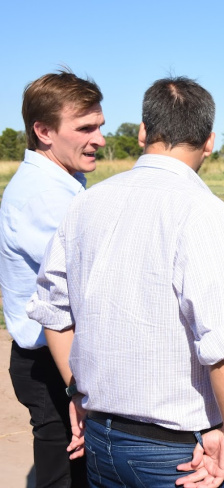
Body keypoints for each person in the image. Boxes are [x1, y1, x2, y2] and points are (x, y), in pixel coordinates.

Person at [27, 76, 224, 488]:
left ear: (142, 133)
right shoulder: (202, 210)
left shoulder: (85, 203)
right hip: (179, 453)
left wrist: (77, 392)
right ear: (209, 142)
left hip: (101, 439)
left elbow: (53, 312)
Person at [0, 70, 105, 487]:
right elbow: (84, 288)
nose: (99, 139)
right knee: (64, 477)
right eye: (85, 128)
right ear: (43, 131)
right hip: (52, 365)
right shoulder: (44, 197)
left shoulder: (62, 184)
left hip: (60, 357)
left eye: (99, 126)